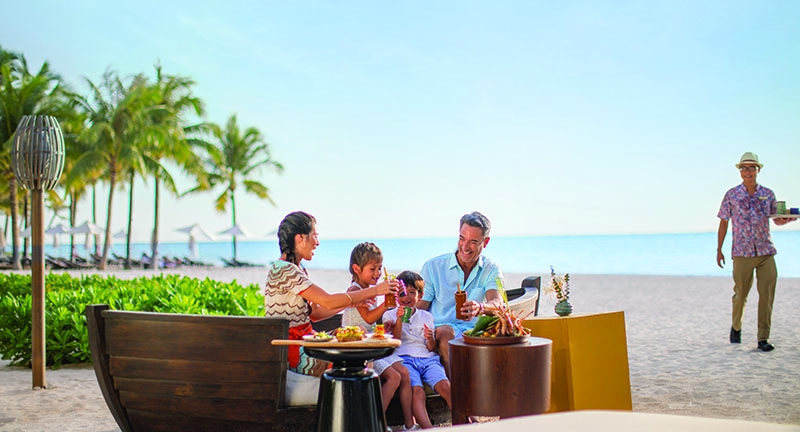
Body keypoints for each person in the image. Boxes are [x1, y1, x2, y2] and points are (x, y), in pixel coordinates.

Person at [264, 211, 398, 376]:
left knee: (357, 336)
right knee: (355, 360)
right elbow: (327, 301)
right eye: (315, 236)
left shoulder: (297, 269)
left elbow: (315, 314)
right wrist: (376, 290)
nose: (317, 242)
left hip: (305, 340)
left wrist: (352, 303)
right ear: (300, 238)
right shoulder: (285, 270)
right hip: (293, 349)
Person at [716, 152, 795, 352]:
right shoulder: (731, 195)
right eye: (744, 168)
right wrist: (719, 249)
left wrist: (786, 220)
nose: (748, 171)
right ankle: (736, 327)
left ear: (758, 170)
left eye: (752, 168)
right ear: (740, 171)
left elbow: (776, 219)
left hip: (766, 251)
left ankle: (763, 338)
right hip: (742, 253)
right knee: (740, 295)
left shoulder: (768, 194)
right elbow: (724, 222)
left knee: (767, 296)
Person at [417, 211, 504, 374]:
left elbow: (498, 304)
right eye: (462, 239)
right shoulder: (433, 267)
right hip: (439, 335)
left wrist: (480, 307)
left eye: (473, 242)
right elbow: (420, 307)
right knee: (445, 332)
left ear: (485, 242)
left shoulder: (490, 269)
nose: (465, 247)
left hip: (473, 336)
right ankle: (458, 388)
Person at [342, 242, 417, 431]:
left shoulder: (370, 291)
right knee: (394, 377)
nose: (377, 273)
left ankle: (409, 424)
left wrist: (383, 328)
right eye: (372, 269)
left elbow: (370, 322)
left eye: (379, 268)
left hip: (371, 344)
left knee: (404, 373)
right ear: (357, 269)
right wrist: (386, 304)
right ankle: (374, 423)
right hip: (359, 349)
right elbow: (367, 317)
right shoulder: (354, 291)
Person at [383, 271, 451, 430]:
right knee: (418, 393)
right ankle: (428, 428)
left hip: (428, 359)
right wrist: (399, 320)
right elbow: (395, 341)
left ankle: (466, 422)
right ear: (396, 296)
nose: (406, 297)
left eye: (411, 293)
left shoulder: (426, 316)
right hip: (404, 359)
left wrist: (430, 338)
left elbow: (431, 347)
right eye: (402, 293)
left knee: (445, 387)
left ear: (420, 296)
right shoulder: (389, 315)